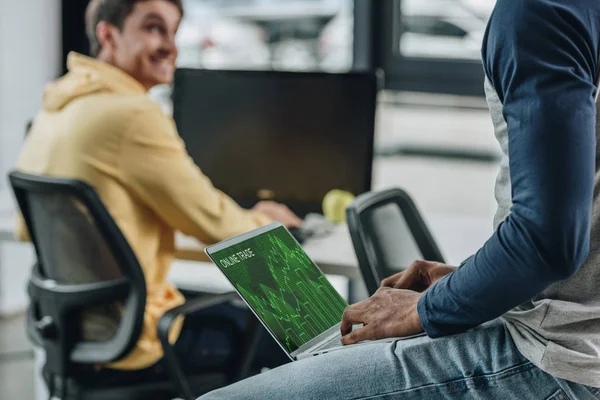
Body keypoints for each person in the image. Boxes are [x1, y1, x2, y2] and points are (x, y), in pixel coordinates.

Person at [199, 0, 600, 399]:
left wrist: (423, 309)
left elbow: (545, 244)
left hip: (554, 361)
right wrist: (468, 283)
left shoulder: (536, 12)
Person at [15, 0, 301, 384]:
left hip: (70, 328)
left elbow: (26, 228)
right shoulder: (132, 113)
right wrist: (265, 219)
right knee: (292, 330)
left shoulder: (57, 105)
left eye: (173, 31)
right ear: (108, 34)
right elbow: (216, 224)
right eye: (153, 28)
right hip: (134, 341)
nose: (170, 45)